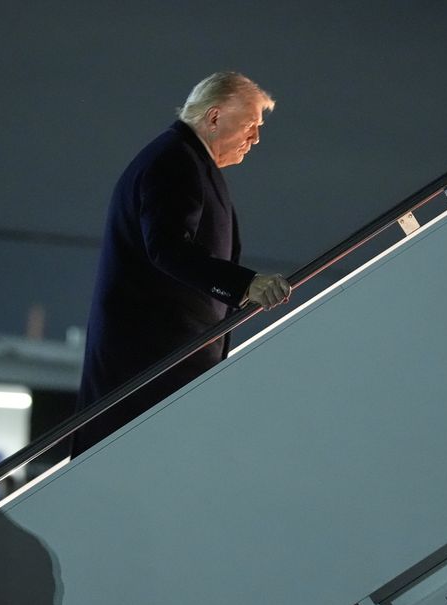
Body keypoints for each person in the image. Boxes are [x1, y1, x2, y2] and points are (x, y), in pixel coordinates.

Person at [73, 71, 292, 456]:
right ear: (214, 117)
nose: (256, 138)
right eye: (251, 125)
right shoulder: (175, 162)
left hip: (159, 369)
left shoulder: (184, 160)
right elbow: (169, 249)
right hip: (151, 371)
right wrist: (246, 285)